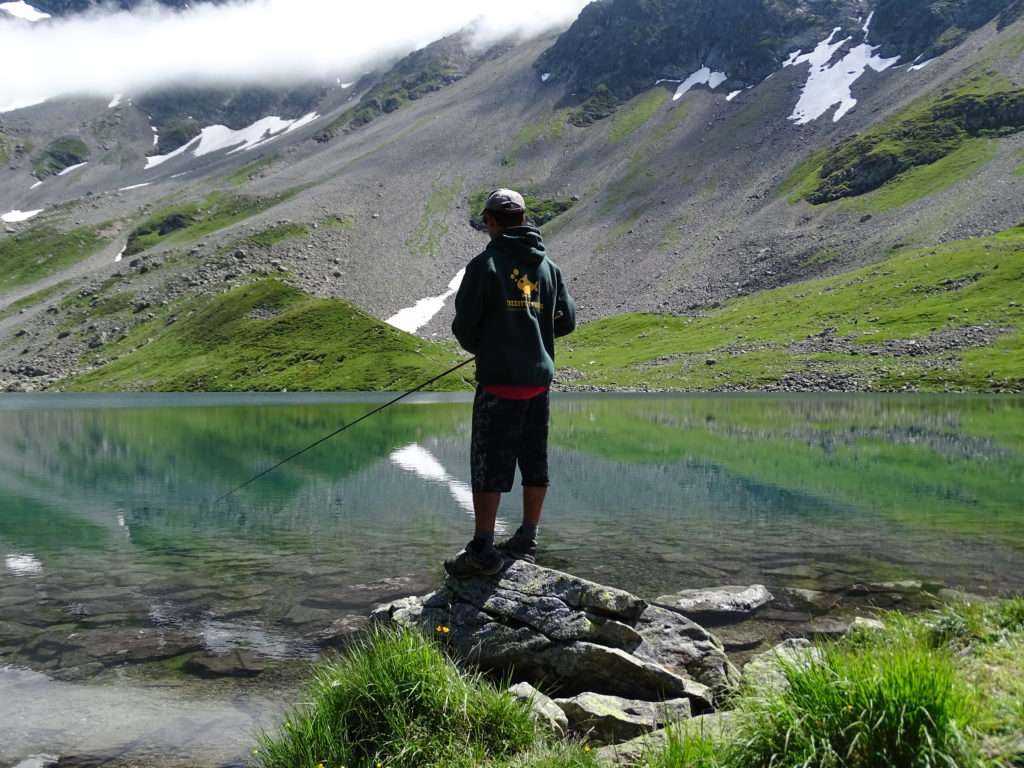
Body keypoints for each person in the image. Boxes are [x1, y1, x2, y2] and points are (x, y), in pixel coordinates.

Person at [444, 189, 576, 579]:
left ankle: (483, 548)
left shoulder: (485, 264)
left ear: (492, 221)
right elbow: (565, 320)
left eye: (487, 220)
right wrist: (533, 336)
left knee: (489, 464)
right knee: (534, 461)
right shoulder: (549, 267)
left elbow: (464, 326)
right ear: (523, 218)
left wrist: (492, 345)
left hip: (499, 382)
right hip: (538, 382)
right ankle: (528, 538)